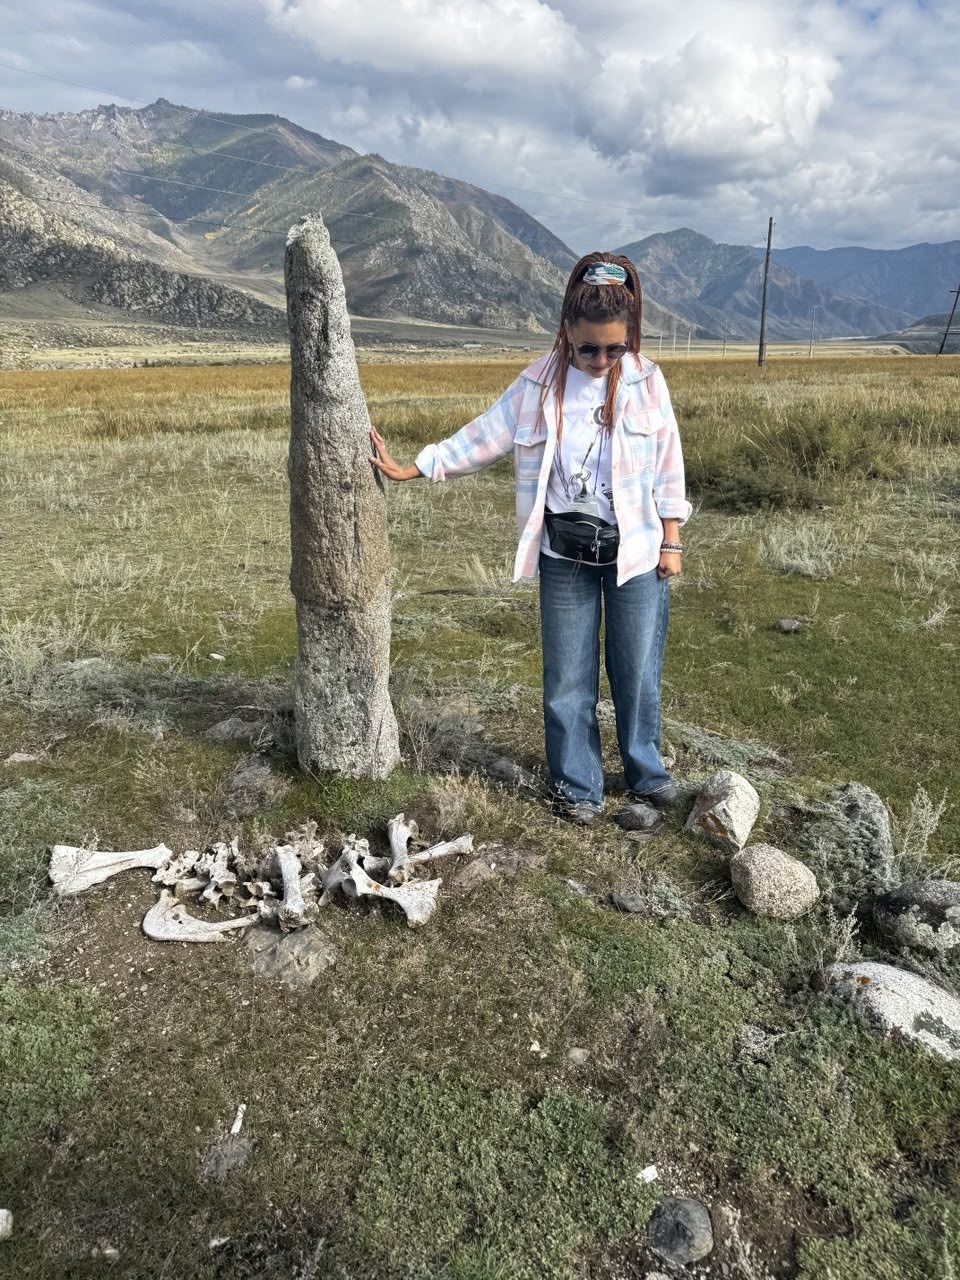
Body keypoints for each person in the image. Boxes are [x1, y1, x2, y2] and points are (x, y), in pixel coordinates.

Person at [370, 252, 692, 826]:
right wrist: (415, 467)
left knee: (638, 670)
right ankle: (577, 786)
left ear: (629, 337)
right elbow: (483, 436)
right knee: (566, 677)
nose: (600, 360)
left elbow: (669, 462)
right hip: (564, 555)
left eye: (614, 349)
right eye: (588, 349)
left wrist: (671, 541)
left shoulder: (647, 381)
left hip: (637, 551)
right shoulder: (538, 384)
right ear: (567, 330)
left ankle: (647, 774)